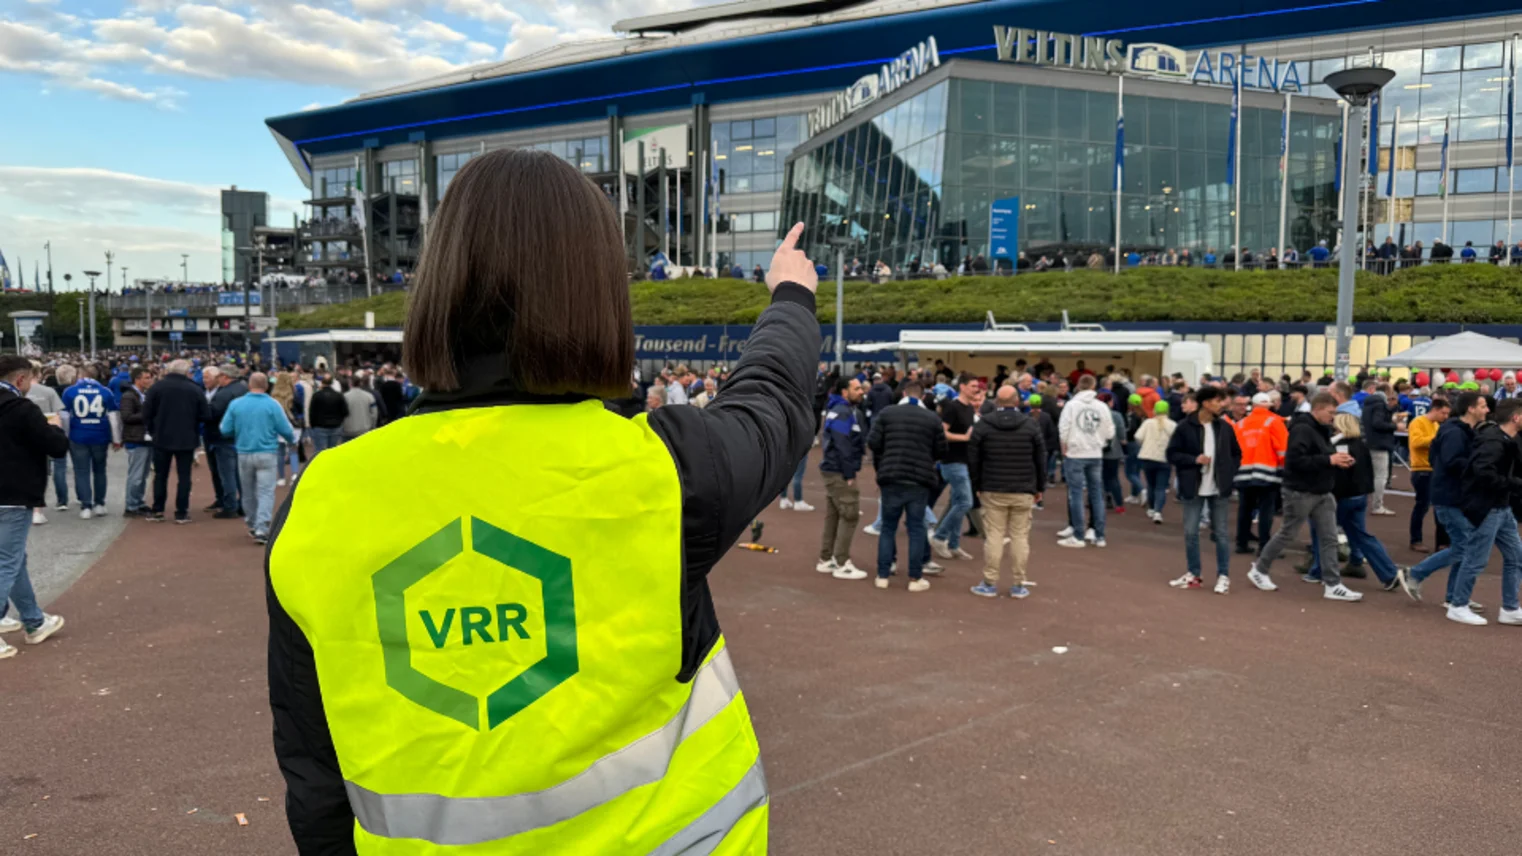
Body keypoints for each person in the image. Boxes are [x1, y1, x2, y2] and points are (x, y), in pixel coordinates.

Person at [267, 150, 819, 851]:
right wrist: (791, 297)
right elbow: (771, 398)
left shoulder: (323, 500)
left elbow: (313, 771)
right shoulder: (662, 470)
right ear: (599, 294)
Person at [1247, 392, 1363, 602]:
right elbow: (1296, 461)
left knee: (1329, 538)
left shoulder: (1319, 429)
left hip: (1321, 491)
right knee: (1288, 533)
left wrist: (1336, 461)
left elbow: (1319, 457)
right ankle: (1259, 569)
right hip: (1300, 491)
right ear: (1318, 409)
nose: (1333, 417)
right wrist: (1330, 460)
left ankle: (1333, 584)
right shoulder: (1302, 429)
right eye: (1330, 412)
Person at [0, 356, 70, 658]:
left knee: (15, 559)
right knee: (7, 560)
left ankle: (34, 621)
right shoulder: (22, 409)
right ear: (20, 380)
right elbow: (55, 446)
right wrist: (53, 426)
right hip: (14, 493)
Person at [1398, 392, 1489, 616]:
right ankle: (1418, 574)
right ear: (1470, 409)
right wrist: (1478, 466)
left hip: (1454, 496)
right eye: (1483, 406)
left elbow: (1438, 459)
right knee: (1466, 545)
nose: (1487, 410)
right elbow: (1450, 461)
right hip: (1449, 497)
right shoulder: (1455, 432)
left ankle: (1454, 595)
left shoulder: (1458, 431)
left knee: (1462, 546)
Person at [1442, 397, 1522, 626]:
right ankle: (1458, 605)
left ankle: (1510, 607)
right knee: (1476, 559)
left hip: (1501, 507)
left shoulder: (1506, 440)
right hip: (1487, 507)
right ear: (1516, 418)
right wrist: (1513, 483)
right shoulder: (1493, 442)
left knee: (1516, 557)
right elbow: (1483, 472)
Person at [867, 380, 947, 591]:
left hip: (891, 475)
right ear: (922, 396)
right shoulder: (932, 418)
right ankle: (915, 577)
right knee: (916, 528)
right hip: (919, 479)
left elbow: (874, 443)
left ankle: (883, 575)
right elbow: (941, 450)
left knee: (888, 527)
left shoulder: (887, 413)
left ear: (903, 393)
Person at [968, 385, 1046, 599]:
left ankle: (990, 581)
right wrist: (1040, 487)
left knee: (994, 535)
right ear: (1017, 401)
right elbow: (1040, 457)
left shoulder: (984, 425)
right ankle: (1019, 583)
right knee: (1020, 536)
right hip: (1023, 488)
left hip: (992, 487)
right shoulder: (1030, 425)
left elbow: (973, 458)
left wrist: (976, 485)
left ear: (996, 402)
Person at [1166, 387, 1241, 593]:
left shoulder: (1225, 428)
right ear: (1206, 403)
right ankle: (1194, 573)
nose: (1222, 404)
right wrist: (1194, 460)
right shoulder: (1184, 427)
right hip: (1194, 486)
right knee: (1191, 532)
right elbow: (1172, 454)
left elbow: (1236, 454)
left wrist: (1228, 473)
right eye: (1218, 401)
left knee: (1222, 534)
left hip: (1219, 487)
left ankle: (1223, 576)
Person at [1321, 413, 1402, 589]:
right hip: (1360, 495)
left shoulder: (1340, 445)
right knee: (1359, 533)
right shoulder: (1361, 444)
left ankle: (1318, 569)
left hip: (1344, 496)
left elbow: (1342, 474)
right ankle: (1363, 564)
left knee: (1324, 531)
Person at [220, 372, 295, 546]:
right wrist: (292, 440)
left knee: (247, 490)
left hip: (244, 451)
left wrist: (237, 432)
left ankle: (252, 522)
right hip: (267, 452)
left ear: (249, 385)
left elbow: (225, 429)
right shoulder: (272, 405)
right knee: (266, 491)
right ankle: (262, 527)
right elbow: (285, 428)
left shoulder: (236, 404)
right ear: (266, 386)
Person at [143, 360, 211, 523]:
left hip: (161, 436)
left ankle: (158, 509)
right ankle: (181, 511)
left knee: (160, 475)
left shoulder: (156, 388)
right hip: (186, 437)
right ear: (186, 372)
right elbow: (205, 415)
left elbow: (146, 413)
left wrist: (153, 430)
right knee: (184, 475)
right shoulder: (194, 389)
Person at [816, 378, 867, 579]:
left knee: (834, 515)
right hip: (838, 471)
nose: (861, 391)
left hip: (833, 469)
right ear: (845, 392)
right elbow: (842, 443)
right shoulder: (843, 412)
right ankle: (842, 562)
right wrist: (849, 473)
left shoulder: (840, 410)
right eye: (857, 388)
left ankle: (827, 558)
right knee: (850, 515)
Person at [1057, 374, 1114, 548]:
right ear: (1094, 386)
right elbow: (1110, 431)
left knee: (1076, 494)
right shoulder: (1102, 406)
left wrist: (1064, 447)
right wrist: (1100, 442)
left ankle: (1078, 535)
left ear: (1078, 386)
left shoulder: (1072, 405)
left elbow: (1064, 428)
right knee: (1096, 494)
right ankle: (1099, 535)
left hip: (1075, 453)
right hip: (1095, 453)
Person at [60, 364, 121, 520]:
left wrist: (65, 435)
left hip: (78, 434)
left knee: (81, 471)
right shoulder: (105, 391)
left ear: (80, 374)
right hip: (100, 434)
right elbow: (113, 416)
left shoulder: (70, 391)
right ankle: (100, 503)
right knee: (100, 470)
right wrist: (116, 439)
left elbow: (65, 416)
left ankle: (86, 505)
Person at [930, 374, 978, 561]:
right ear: (963, 387)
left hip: (964, 461)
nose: (977, 389)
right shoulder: (952, 407)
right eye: (973, 386)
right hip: (952, 461)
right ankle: (940, 536)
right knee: (965, 502)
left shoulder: (969, 409)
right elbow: (942, 432)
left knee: (959, 501)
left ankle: (954, 544)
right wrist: (964, 438)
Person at [1233, 392, 1287, 555]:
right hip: (1267, 472)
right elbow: (1283, 448)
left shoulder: (1240, 424)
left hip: (1243, 471)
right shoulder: (1274, 421)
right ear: (1269, 406)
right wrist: (1285, 467)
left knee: (1245, 508)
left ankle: (1241, 543)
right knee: (1266, 509)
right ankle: (1264, 546)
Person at [24, 366, 67, 523]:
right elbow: (58, 414)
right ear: (38, 374)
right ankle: (40, 509)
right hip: (44, 434)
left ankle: (25, 504)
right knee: (44, 471)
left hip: (21, 436)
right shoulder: (48, 392)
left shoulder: (15, 392)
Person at [1408, 397, 1450, 553]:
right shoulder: (1418, 422)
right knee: (1422, 505)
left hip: (1433, 468)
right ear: (1435, 410)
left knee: (1436, 506)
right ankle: (1416, 539)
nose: (1445, 417)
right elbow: (1416, 443)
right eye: (1443, 413)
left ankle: (1442, 542)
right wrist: (1437, 439)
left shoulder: (1436, 425)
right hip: (1421, 469)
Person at [208, 365, 248, 519]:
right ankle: (243, 504)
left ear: (224, 376)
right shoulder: (243, 389)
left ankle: (230, 505)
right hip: (241, 437)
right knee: (239, 474)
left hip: (224, 438)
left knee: (227, 474)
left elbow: (212, 414)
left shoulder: (224, 394)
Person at [119, 366, 153, 517]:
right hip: (136, 438)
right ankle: (131, 505)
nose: (149, 380)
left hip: (145, 438)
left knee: (143, 474)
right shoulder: (129, 396)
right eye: (146, 377)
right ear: (137, 379)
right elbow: (126, 417)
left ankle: (139, 501)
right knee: (136, 475)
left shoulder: (142, 394)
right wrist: (146, 413)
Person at [1135, 400, 1176, 523]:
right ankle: (1158, 512)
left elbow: (1138, 437)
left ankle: (1152, 508)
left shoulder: (1148, 423)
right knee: (1161, 487)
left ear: (1154, 410)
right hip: (1164, 458)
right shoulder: (1173, 425)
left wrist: (1144, 445)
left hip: (1148, 457)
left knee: (1151, 484)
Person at [1362, 383, 1399, 515]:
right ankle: (1377, 505)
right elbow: (1378, 423)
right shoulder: (1379, 405)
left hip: (1369, 442)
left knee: (1370, 475)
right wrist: (1394, 426)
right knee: (1380, 476)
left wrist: (1390, 409)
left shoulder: (1368, 404)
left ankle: (1369, 503)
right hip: (1379, 443)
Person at [307, 376, 348, 453]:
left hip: (320, 427)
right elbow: (345, 411)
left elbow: (312, 412)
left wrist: (312, 425)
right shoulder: (338, 395)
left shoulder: (317, 395)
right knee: (332, 451)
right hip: (335, 426)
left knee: (319, 451)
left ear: (322, 383)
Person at [342, 377, 379, 441]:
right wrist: (373, 426)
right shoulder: (369, 396)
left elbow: (341, 413)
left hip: (348, 430)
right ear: (360, 384)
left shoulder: (344, 397)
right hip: (365, 429)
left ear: (350, 384)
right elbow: (374, 413)